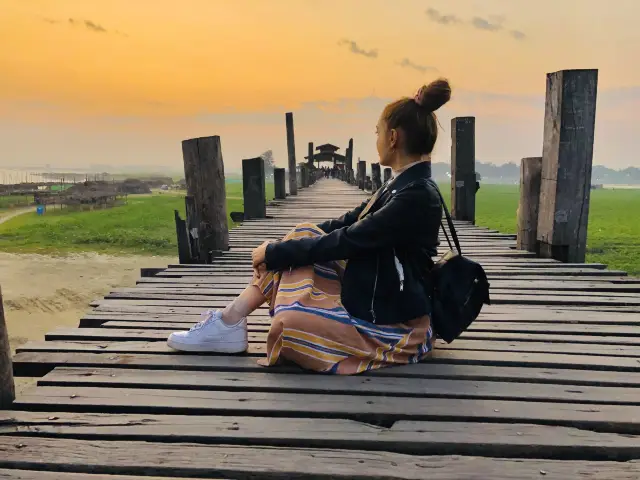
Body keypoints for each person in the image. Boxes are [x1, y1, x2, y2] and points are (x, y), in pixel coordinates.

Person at [167, 78, 450, 374]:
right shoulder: (402, 184)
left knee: (288, 326)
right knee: (303, 234)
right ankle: (229, 320)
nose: (376, 138)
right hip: (374, 294)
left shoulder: (416, 195)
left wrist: (275, 253)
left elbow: (350, 239)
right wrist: (282, 247)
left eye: (378, 132)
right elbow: (347, 222)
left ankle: (228, 323)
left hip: (396, 323)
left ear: (393, 137)